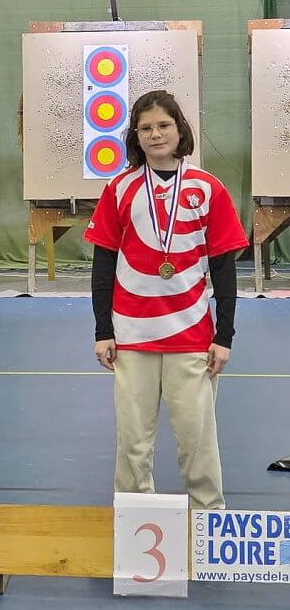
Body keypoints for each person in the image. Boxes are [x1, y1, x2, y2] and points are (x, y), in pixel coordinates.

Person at [85, 89, 248, 509]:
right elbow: (103, 267)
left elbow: (224, 269)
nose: (155, 134)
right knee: (132, 443)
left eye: (163, 125)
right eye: (145, 128)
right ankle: (134, 518)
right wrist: (103, 330)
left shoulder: (208, 188)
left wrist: (224, 336)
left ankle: (207, 517)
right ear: (135, 136)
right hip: (131, 335)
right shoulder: (119, 188)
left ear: (180, 130)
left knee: (198, 439)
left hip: (192, 335)